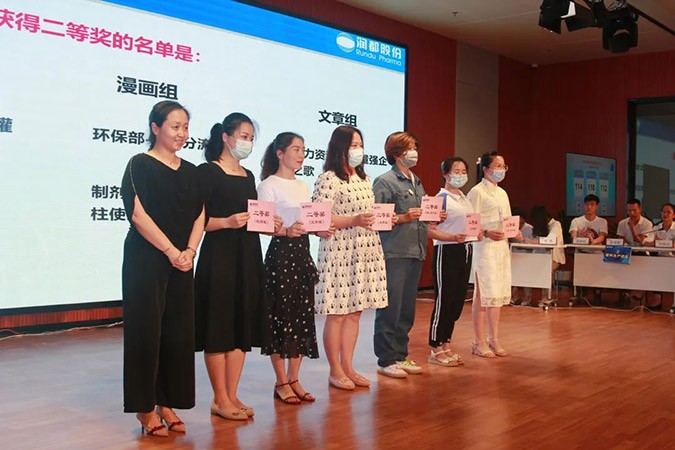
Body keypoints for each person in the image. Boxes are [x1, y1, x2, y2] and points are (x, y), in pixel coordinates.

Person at [121, 100, 205, 436]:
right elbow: (138, 214)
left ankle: (167, 402)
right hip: (147, 259)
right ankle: (145, 408)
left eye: (185, 127)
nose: (182, 133)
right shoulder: (139, 164)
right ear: (155, 128)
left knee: (177, 332)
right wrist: (171, 251)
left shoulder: (192, 171)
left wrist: (190, 251)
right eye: (175, 126)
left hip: (182, 261)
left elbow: (200, 214)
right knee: (146, 331)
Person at [194, 113, 281, 421]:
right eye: (244, 136)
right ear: (226, 137)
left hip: (247, 256)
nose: (248, 142)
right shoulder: (207, 172)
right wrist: (226, 222)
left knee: (240, 326)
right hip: (218, 256)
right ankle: (219, 398)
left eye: (251, 138)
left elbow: (254, 217)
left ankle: (232, 394)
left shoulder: (247, 175)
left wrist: (270, 222)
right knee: (218, 327)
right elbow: (197, 220)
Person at [313, 125, 388, 390]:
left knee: (355, 312)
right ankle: (335, 370)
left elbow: (368, 214)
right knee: (337, 313)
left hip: (366, 250)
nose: (358, 150)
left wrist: (382, 219)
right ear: (340, 147)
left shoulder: (364, 179)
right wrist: (353, 220)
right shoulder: (328, 179)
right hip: (339, 251)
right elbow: (319, 217)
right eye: (353, 145)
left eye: (360, 145)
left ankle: (348, 366)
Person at [257, 132, 331, 404]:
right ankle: (281, 381)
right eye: (296, 149)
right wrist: (285, 231)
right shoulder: (268, 185)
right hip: (280, 255)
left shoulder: (302, 185)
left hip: (302, 254)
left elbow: (307, 221)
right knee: (280, 317)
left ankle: (295, 378)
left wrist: (318, 229)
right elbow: (261, 225)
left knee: (301, 317)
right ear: (280, 153)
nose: (301, 155)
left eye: (303, 150)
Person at [372, 131, 431, 378]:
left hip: (416, 250)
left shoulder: (416, 181)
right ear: (397, 152)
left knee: (406, 309)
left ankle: (400, 355)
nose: (414, 152)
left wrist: (434, 215)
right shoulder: (385, 181)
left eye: (415, 147)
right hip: (394, 251)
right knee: (391, 307)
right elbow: (378, 219)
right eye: (409, 147)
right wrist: (403, 217)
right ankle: (386, 359)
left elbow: (422, 214)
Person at [467, 151, 520, 358]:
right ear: (486, 169)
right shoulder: (477, 192)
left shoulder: (502, 193)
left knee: (497, 294)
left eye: (503, 167)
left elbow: (507, 220)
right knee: (483, 294)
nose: (501, 170)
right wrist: (487, 231)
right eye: (498, 166)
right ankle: (478, 341)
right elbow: (470, 223)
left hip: (500, 248)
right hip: (485, 247)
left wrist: (514, 231)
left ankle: (494, 339)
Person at [426, 156, 476, 367]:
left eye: (463, 171)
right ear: (445, 174)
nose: (461, 175)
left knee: (456, 301)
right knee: (444, 300)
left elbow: (471, 225)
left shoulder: (465, 199)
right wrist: (452, 237)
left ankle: (446, 344)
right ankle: (435, 347)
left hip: (466, 249)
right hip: (446, 251)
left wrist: (476, 233)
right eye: (456, 171)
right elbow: (429, 230)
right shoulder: (440, 198)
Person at [522, 205, 566, 307]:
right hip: (538, 256)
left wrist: (532, 242)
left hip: (554, 259)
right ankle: (527, 297)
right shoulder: (540, 227)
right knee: (525, 268)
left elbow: (550, 240)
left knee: (545, 270)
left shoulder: (556, 225)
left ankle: (545, 297)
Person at [569, 194, 608, 304]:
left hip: (596, 252)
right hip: (582, 251)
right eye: (587, 205)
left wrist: (593, 241)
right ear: (584, 205)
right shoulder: (576, 221)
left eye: (592, 205)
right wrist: (582, 238)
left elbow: (602, 236)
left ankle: (597, 292)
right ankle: (581, 293)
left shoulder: (602, 221)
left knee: (599, 268)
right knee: (579, 266)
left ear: (597, 206)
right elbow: (573, 237)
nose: (589, 207)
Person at [644, 202, 674, 310]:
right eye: (663, 212)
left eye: (668, 212)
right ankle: (656, 300)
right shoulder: (657, 228)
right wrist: (659, 242)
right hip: (659, 260)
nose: (665, 214)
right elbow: (647, 242)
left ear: (674, 215)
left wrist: (660, 242)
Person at [510, 207, 534, 305]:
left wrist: (523, 246)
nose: (518, 224)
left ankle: (527, 298)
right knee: (512, 277)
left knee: (526, 278)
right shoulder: (510, 227)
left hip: (526, 257)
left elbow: (533, 245)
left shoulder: (530, 228)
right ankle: (513, 297)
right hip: (513, 256)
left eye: (520, 222)